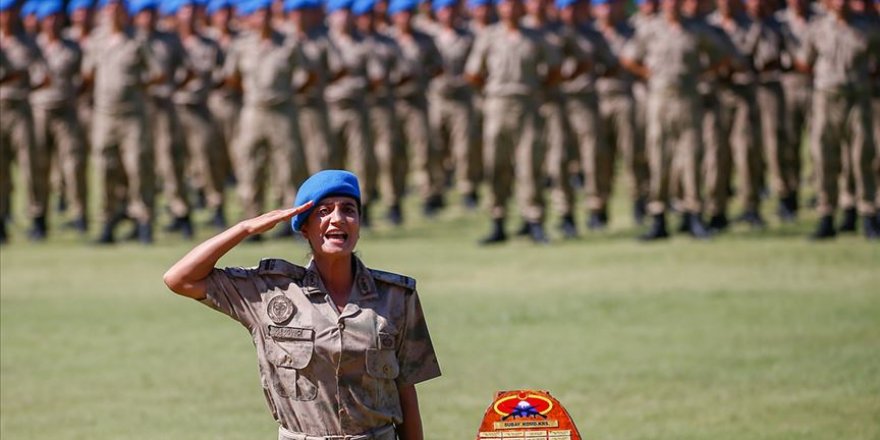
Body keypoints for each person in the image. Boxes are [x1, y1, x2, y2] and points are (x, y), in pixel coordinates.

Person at [163, 169, 441, 440]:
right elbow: (180, 279)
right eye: (324, 211)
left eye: (348, 209)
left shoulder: (396, 297)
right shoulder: (269, 292)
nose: (338, 219)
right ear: (304, 227)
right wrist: (244, 228)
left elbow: (406, 393)